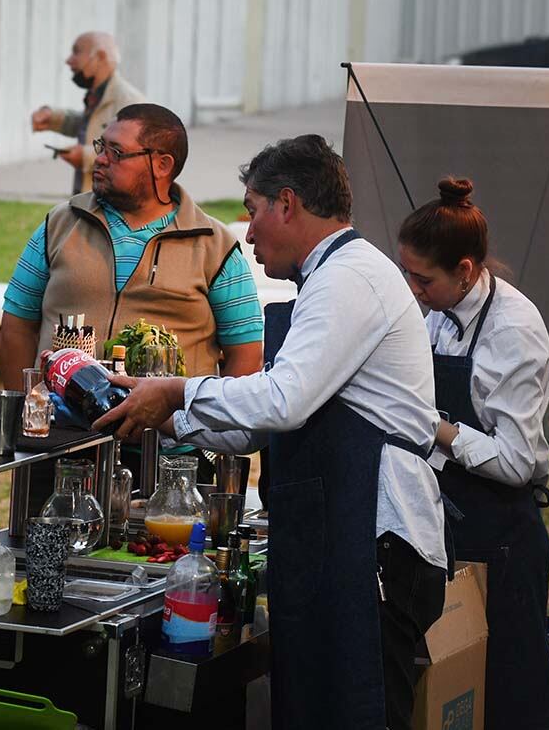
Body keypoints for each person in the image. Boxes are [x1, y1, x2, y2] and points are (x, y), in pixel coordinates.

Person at [94, 135, 448, 730]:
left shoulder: (348, 281)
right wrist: (161, 414)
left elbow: (283, 402)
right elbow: (261, 424)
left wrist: (178, 391)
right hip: (334, 541)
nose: (249, 233)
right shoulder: (325, 282)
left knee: (357, 713)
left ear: (288, 204)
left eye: (253, 211)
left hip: (371, 546)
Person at [398, 177, 549, 730]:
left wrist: (439, 430)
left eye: (423, 279)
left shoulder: (514, 332)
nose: (413, 289)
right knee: (456, 682)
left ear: (464, 271)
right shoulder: (435, 313)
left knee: (515, 691)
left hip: (503, 531)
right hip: (448, 519)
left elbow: (517, 463)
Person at [0, 102, 263, 391]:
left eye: (116, 153)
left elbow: (246, 353)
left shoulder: (214, 245)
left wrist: (204, 428)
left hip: (170, 432)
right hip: (61, 430)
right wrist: (23, 407)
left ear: (162, 165)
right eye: (101, 147)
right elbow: (17, 325)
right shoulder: (60, 224)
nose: (100, 159)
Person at [31, 32, 146, 195]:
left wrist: (85, 156)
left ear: (100, 56)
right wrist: (52, 117)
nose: (68, 60)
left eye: (76, 52)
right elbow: (91, 125)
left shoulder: (130, 101)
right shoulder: (99, 94)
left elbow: (133, 155)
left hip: (110, 205)